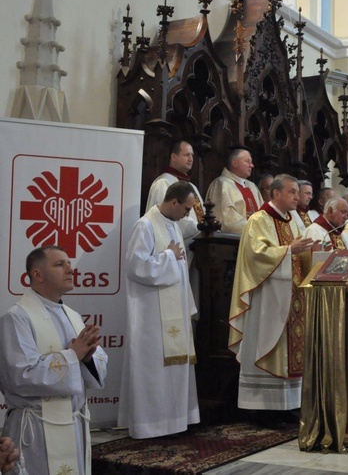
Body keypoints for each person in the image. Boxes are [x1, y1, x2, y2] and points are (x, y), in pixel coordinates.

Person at [0, 246, 107, 475]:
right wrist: (73, 356)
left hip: (73, 424)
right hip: (37, 430)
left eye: (69, 263)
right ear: (37, 275)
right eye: (60, 264)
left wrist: (87, 359)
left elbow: (97, 364)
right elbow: (20, 377)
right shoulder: (17, 318)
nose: (70, 269)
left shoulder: (73, 315)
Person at [228, 175, 318, 413]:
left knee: (293, 347)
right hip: (268, 297)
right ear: (276, 193)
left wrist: (313, 252)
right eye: (292, 192)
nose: (297, 197)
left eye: (298, 192)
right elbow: (256, 255)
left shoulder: (294, 221)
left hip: (294, 295)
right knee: (268, 343)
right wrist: (290, 250)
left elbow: (302, 253)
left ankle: (289, 405)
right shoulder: (259, 220)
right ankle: (262, 406)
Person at [119, 181, 200, 439]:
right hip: (151, 312)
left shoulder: (174, 226)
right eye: (186, 209)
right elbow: (136, 267)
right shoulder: (144, 225)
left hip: (174, 307)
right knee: (153, 367)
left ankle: (174, 421)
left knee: (174, 369)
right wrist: (167, 257)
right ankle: (151, 424)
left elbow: (180, 268)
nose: (188, 215)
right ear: (174, 202)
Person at [145, 140, 205, 251]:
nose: (191, 159)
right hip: (172, 247)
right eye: (187, 155)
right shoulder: (163, 183)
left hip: (197, 247)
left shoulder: (191, 186)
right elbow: (167, 216)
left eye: (192, 155)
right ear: (173, 157)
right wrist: (201, 229)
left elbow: (202, 215)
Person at [206, 147, 263, 234]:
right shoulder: (221, 184)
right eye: (247, 161)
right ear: (235, 163)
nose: (252, 165)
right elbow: (226, 219)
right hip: (233, 242)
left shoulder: (252, 187)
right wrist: (255, 229)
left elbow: (263, 213)